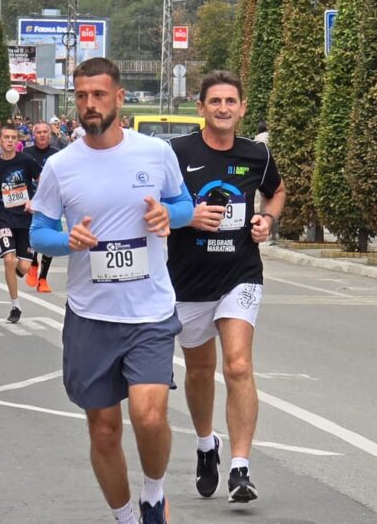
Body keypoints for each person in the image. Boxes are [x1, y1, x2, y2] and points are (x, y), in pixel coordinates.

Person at [30, 58, 193, 524]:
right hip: (91, 315)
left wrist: (169, 215)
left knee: (148, 416)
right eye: (81, 96)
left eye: (99, 95)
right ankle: (124, 516)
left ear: (119, 98)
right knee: (103, 431)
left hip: (150, 311)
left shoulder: (155, 153)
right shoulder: (61, 166)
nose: (89, 104)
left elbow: (184, 204)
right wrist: (68, 240)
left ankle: (154, 493)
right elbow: (39, 234)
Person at [167, 70, 284, 504]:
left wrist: (266, 220)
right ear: (201, 108)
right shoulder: (176, 152)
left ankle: (240, 468)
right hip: (188, 281)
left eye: (230, 102)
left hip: (240, 274)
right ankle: (205, 444)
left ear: (242, 108)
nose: (222, 109)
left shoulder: (257, 154)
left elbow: (276, 193)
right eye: (214, 101)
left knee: (236, 366)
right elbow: (154, 205)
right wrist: (188, 217)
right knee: (199, 371)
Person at [0, 124, 42, 323]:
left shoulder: (25, 160)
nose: (9, 141)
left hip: (25, 218)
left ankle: (16, 272)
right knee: (9, 259)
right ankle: (15, 306)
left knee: (23, 267)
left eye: (13, 137)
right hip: (4, 216)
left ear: (17, 141)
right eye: (6, 137)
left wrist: (35, 200)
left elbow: (42, 181)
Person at [23, 122, 60, 293]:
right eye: (39, 132)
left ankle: (43, 278)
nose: (43, 135)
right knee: (34, 238)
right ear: (33, 135)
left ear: (50, 135)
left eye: (46, 132)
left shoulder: (57, 155)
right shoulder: (26, 154)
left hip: (51, 204)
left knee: (50, 241)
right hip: (30, 202)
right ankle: (33, 264)